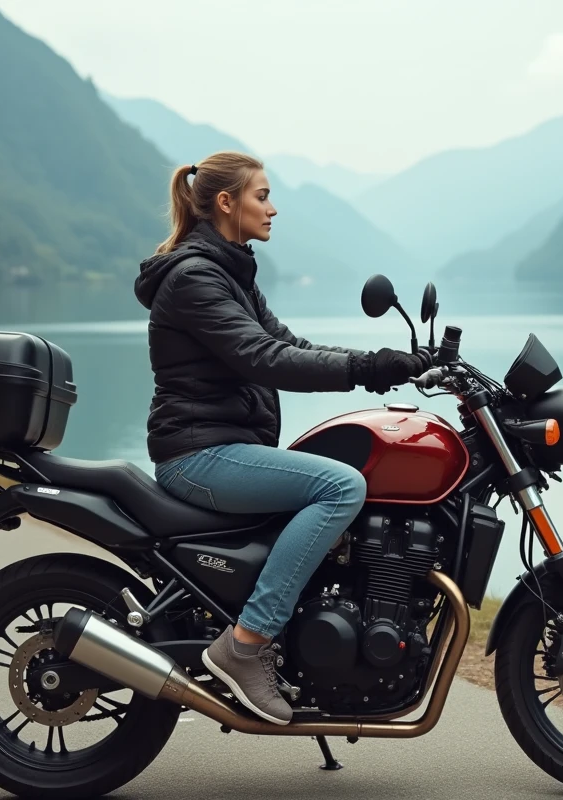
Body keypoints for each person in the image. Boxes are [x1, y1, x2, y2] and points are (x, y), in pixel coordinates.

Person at [133, 151, 426, 725]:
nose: (273, 208)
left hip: (223, 447)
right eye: (261, 196)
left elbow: (293, 344)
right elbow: (264, 358)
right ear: (226, 203)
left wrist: (393, 363)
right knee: (341, 488)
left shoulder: (232, 271)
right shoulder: (195, 278)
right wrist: (369, 369)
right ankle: (245, 647)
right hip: (197, 454)